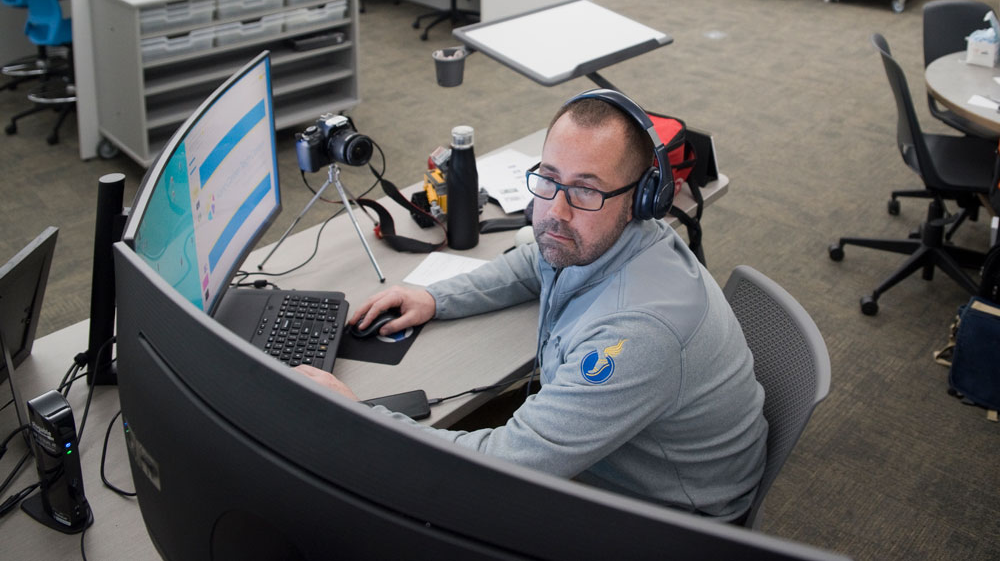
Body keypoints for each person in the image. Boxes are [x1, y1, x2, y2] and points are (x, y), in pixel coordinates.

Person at [296, 89, 768, 523]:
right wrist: (435, 296)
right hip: (622, 456)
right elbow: (534, 259)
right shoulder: (606, 236)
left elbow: (503, 464)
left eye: (587, 189)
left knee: (393, 507)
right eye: (549, 179)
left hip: (670, 517)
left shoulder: (641, 332)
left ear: (642, 199)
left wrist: (356, 419)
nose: (556, 211)